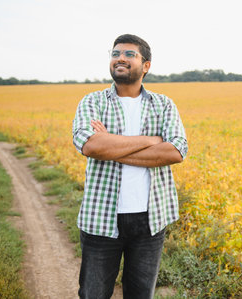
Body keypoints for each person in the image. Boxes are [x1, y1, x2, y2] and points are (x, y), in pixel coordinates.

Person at [72, 34, 188, 299]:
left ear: (146, 65)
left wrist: (111, 146)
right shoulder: (93, 102)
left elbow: (175, 150)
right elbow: (90, 146)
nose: (120, 58)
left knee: (140, 295)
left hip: (151, 220)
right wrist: (150, 141)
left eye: (129, 54)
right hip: (100, 218)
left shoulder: (163, 104)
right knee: (93, 294)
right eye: (115, 54)